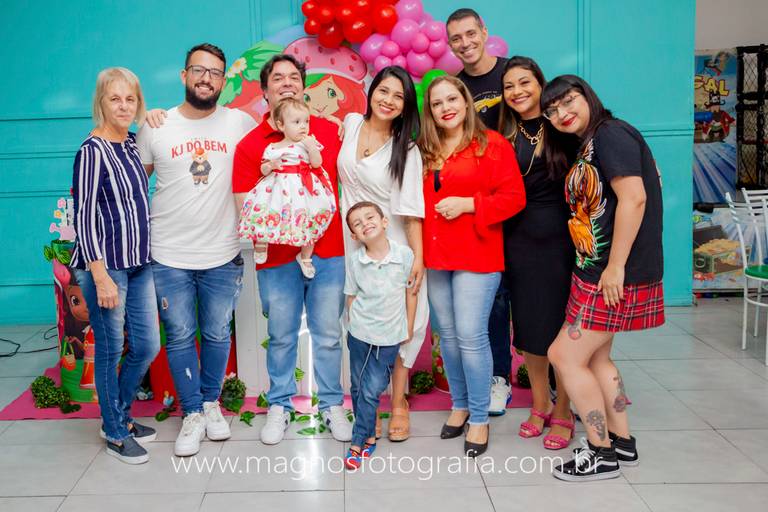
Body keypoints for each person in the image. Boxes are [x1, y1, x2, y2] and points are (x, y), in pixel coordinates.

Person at [541, 75, 664, 481]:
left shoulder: (611, 133)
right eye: (552, 110)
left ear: (587, 96)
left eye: (568, 101)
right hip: (593, 269)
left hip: (610, 273)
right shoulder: (589, 142)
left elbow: (635, 198)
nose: (561, 113)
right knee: (596, 358)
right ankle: (622, 442)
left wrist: (616, 266)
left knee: (563, 356)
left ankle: (600, 452)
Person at [137, 43, 257, 457]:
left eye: (215, 72)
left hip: (222, 252)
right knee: (180, 334)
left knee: (218, 332)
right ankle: (191, 412)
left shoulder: (240, 123)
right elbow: (134, 184)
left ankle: (210, 404)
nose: (206, 78)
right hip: (168, 253)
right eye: (199, 70)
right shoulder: (157, 125)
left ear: (224, 80)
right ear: (184, 75)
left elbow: (279, 138)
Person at [233, 54, 352, 445]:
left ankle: (332, 404)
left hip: (328, 250)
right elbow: (244, 200)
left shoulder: (328, 131)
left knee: (328, 334)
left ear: (303, 86)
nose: (286, 83)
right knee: (281, 334)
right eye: (277, 78)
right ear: (265, 91)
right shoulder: (252, 145)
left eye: (293, 77)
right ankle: (280, 404)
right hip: (277, 258)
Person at [419, 75, 526, 457]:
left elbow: (514, 198)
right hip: (436, 256)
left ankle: (479, 418)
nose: (445, 108)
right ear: (430, 111)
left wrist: (469, 204)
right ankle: (460, 405)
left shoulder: (491, 144)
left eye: (452, 99)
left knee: (470, 335)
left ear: (465, 102)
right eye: (437, 103)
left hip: (477, 253)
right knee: (447, 336)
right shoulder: (425, 150)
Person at [71, 67, 159, 464]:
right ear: (101, 103)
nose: (123, 106)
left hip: (139, 262)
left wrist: (154, 118)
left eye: (130, 99)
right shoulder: (92, 151)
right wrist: (100, 274)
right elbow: (85, 216)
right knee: (109, 351)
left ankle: (118, 416)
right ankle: (116, 432)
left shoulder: (133, 143)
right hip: (108, 267)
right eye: (115, 99)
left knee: (146, 346)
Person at [336, 65, 426, 442]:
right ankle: (367, 405)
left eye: (398, 96)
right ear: (371, 92)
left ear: (406, 106)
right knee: (361, 319)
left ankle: (399, 402)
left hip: (393, 244)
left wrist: (418, 258)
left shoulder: (407, 150)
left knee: (402, 323)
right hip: (353, 241)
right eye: (383, 91)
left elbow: (411, 211)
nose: (388, 100)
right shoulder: (350, 123)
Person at [498, 56, 576, 449]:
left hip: (561, 240)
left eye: (524, 82)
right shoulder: (502, 131)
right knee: (529, 327)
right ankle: (540, 402)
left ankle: (564, 408)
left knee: (561, 326)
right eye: (509, 86)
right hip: (516, 239)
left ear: (540, 84)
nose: (517, 92)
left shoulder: (562, 125)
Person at [447, 7, 512, 414]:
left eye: (471, 34)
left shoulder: (512, 73)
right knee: (495, 301)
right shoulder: (456, 87)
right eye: (456, 38)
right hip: (482, 207)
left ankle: (558, 381)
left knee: (537, 296)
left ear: (484, 32)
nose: (465, 43)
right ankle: (499, 377)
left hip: (524, 195)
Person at [343, 202, 417, 469]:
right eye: (358, 223)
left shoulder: (404, 255)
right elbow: (351, 297)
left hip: (389, 337)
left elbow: (410, 293)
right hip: (360, 334)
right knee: (358, 386)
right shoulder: (355, 261)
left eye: (369, 217)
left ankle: (357, 441)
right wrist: (356, 325)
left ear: (384, 222)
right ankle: (368, 435)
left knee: (372, 389)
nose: (365, 224)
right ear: (354, 236)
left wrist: (408, 327)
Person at [238, 97, 336, 278]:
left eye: (306, 121)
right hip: (279, 187)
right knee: (267, 212)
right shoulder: (273, 147)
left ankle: (305, 256)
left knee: (309, 218)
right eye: (297, 122)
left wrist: (312, 148)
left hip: (303, 189)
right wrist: (271, 166)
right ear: (281, 125)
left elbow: (317, 163)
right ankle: (261, 243)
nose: (303, 126)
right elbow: (263, 168)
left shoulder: (308, 143)